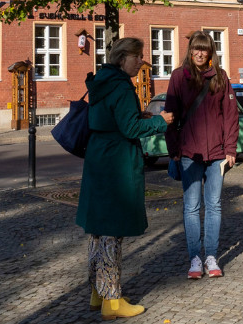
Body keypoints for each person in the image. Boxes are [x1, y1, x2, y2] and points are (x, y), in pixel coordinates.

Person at [76, 37, 174, 320]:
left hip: (99, 158)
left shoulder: (103, 80)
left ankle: (98, 292)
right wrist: (159, 121)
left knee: (98, 229)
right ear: (123, 58)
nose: (142, 61)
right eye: (138, 56)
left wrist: (137, 115)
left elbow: (114, 118)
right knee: (111, 231)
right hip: (115, 162)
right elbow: (130, 129)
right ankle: (113, 301)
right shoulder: (120, 86)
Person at [163, 30, 239, 279]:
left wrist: (230, 149)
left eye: (204, 49)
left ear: (210, 52)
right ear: (190, 50)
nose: (199, 52)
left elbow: (230, 114)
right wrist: (173, 150)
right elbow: (170, 115)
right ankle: (195, 258)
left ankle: (211, 256)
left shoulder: (220, 76)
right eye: (196, 48)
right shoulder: (178, 76)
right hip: (188, 153)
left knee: (215, 206)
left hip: (217, 153)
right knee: (191, 207)